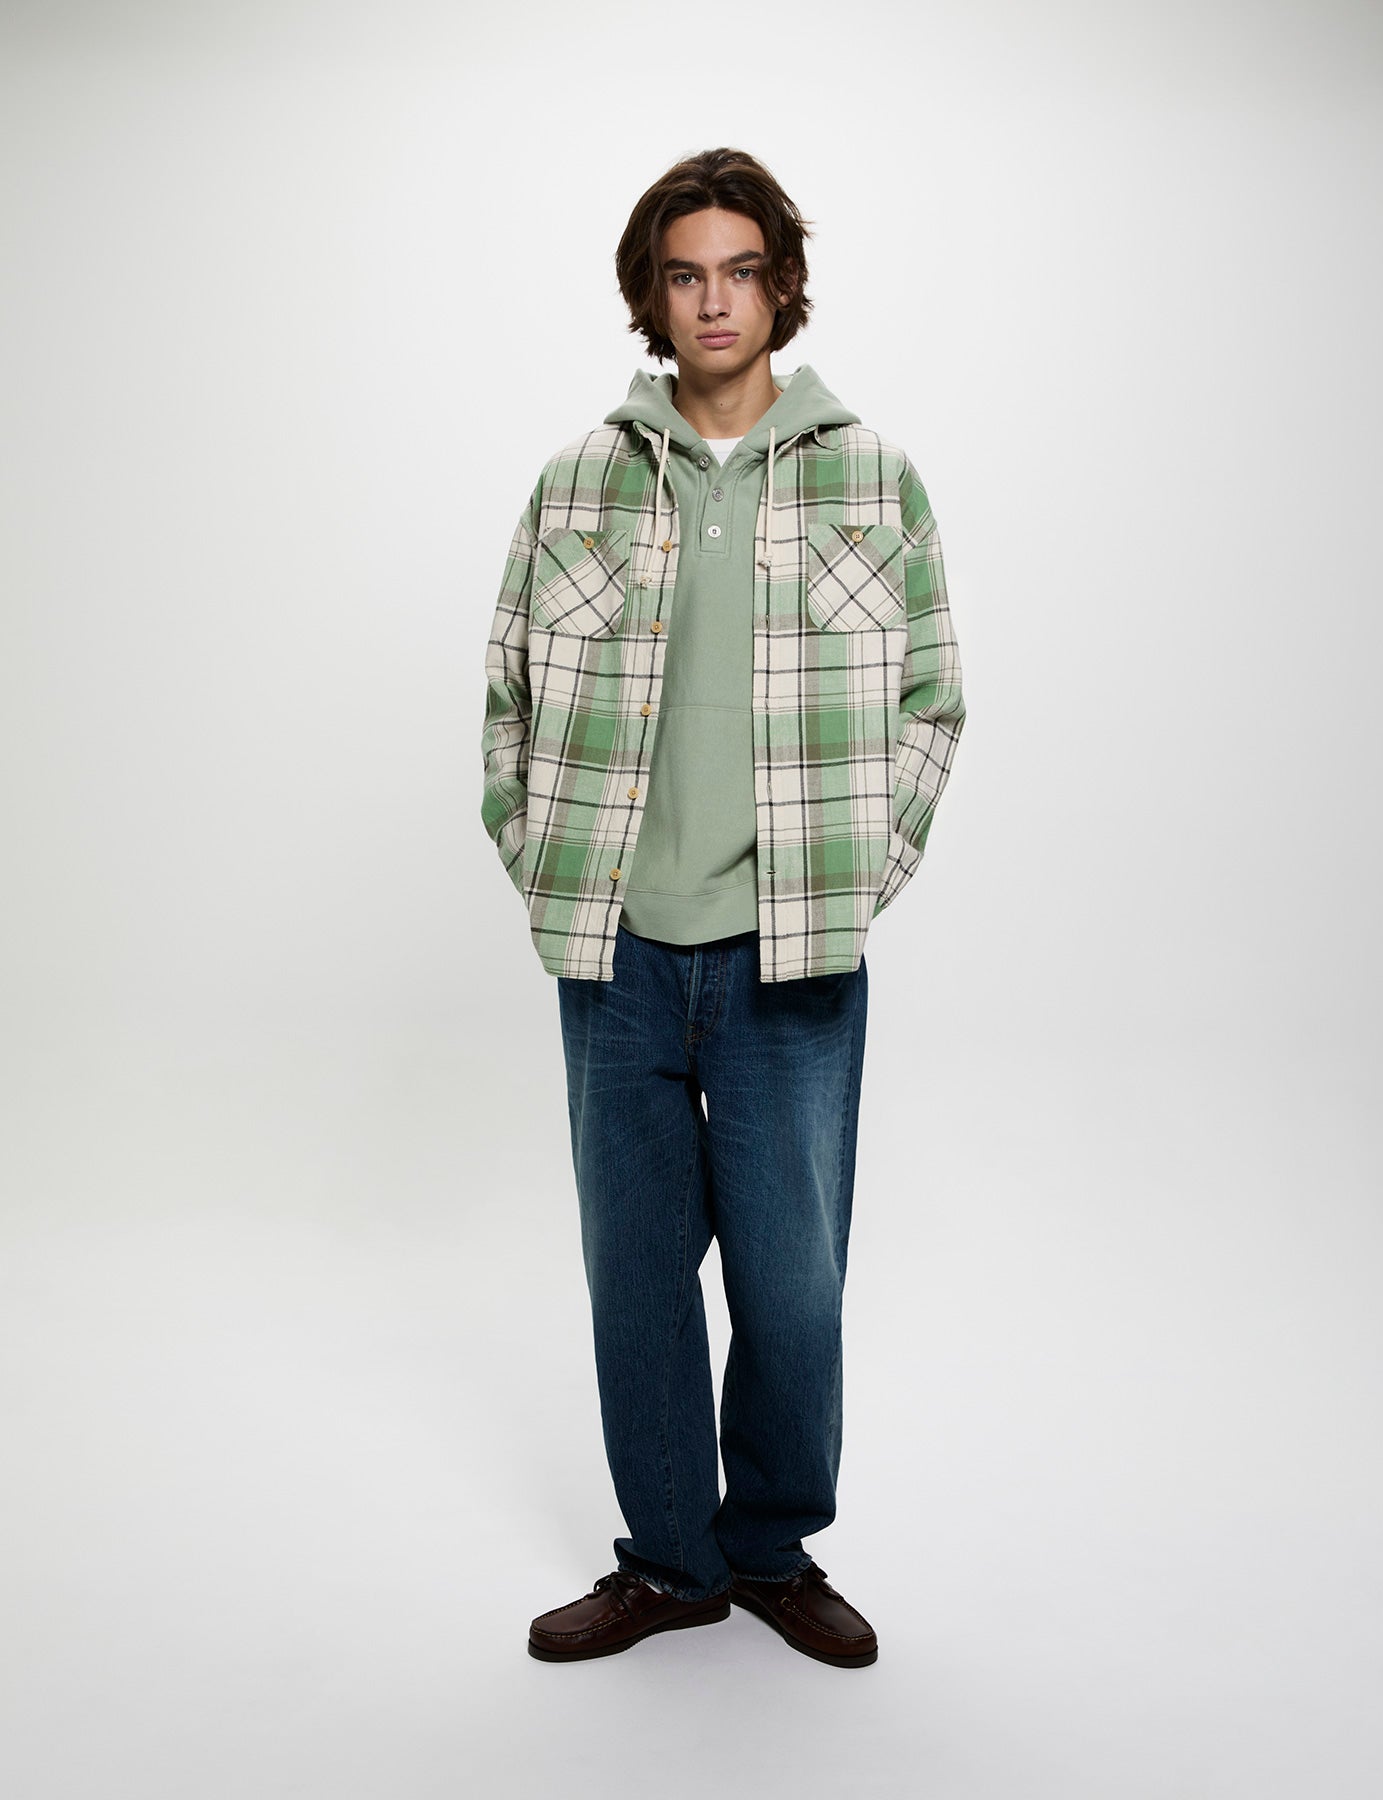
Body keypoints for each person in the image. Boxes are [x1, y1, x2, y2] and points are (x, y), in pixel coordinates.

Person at [481, 147, 966, 1666]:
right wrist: (548, 862)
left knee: (791, 1286)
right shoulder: (577, 479)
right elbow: (505, 697)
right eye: (685, 274)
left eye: (740, 271)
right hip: (618, 953)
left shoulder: (869, 477)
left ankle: (769, 1546)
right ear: (653, 295)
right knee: (635, 1281)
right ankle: (671, 1563)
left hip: (789, 954)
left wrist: (855, 879)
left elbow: (934, 701)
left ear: (780, 287)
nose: (713, 301)